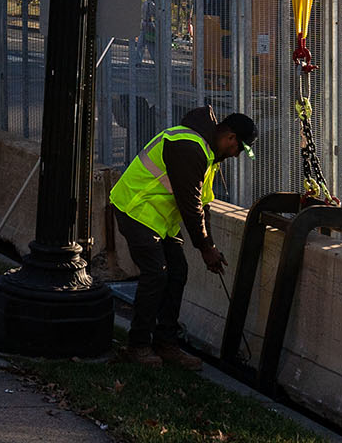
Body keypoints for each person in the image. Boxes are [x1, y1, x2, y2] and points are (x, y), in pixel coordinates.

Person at [109, 106, 257, 368]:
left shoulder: (208, 154)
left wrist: (209, 245)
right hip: (135, 209)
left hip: (159, 219)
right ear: (231, 138)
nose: (235, 156)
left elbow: (204, 205)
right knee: (156, 273)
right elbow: (190, 206)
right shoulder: (188, 146)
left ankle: (166, 343)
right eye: (238, 149)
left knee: (177, 272)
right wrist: (205, 247)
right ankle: (138, 345)